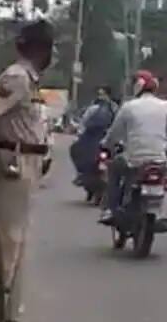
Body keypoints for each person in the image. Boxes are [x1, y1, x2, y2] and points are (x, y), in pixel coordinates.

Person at [0, 20, 56, 322]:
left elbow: (30, 125)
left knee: (19, 245)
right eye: (49, 48)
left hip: (29, 163)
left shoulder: (32, 82)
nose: (51, 56)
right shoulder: (17, 78)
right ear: (39, 48)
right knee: (8, 242)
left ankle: (8, 318)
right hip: (13, 165)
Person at [99, 70, 167, 225]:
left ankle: (110, 208)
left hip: (134, 160)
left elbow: (114, 133)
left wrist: (105, 145)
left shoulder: (129, 107)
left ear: (137, 86)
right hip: (160, 160)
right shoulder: (165, 107)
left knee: (114, 168)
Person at [69, 87, 118, 184]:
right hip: (102, 138)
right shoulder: (113, 108)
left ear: (108, 95)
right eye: (99, 94)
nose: (101, 97)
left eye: (102, 94)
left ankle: (81, 174)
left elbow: (83, 123)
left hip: (101, 138)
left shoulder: (95, 108)